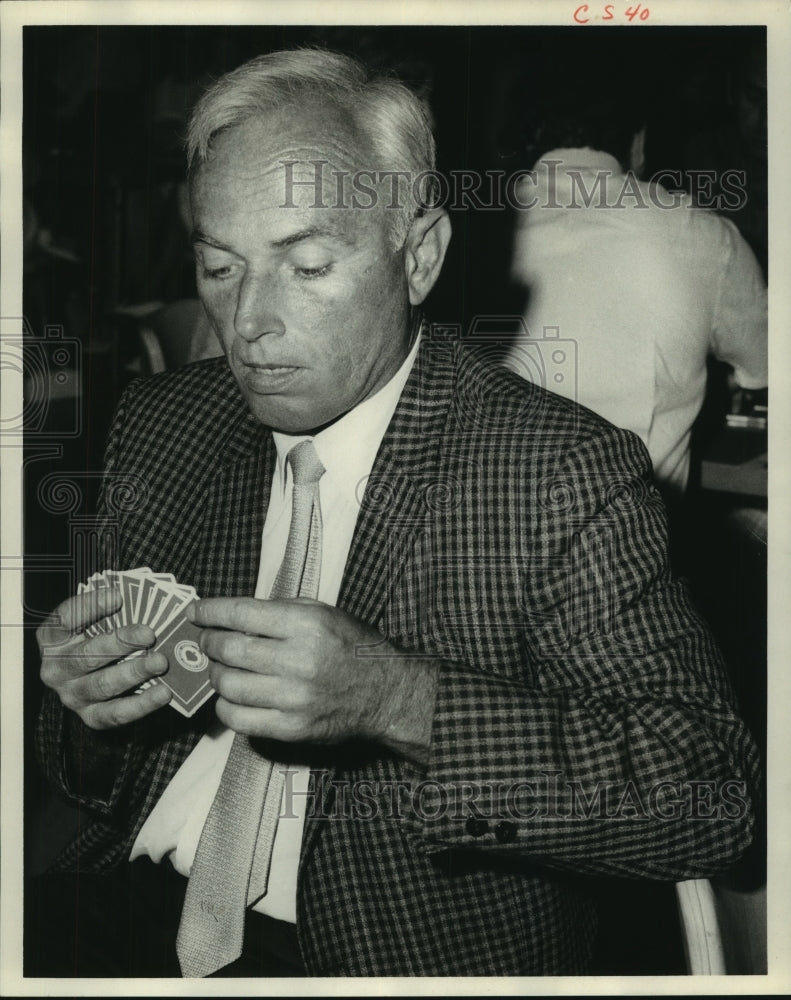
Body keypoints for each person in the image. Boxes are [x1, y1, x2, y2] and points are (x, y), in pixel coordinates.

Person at [29, 48, 759, 978]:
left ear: (419, 258)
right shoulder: (168, 420)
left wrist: (400, 700)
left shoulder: (556, 471)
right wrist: (93, 711)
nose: (245, 321)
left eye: (308, 265)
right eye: (219, 266)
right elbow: (93, 775)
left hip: (386, 954)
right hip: (134, 897)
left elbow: (708, 797)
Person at [501, 69, 767, 503]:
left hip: (479, 539)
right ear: (639, 142)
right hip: (632, 551)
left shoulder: (466, 228)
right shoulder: (702, 233)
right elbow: (765, 365)